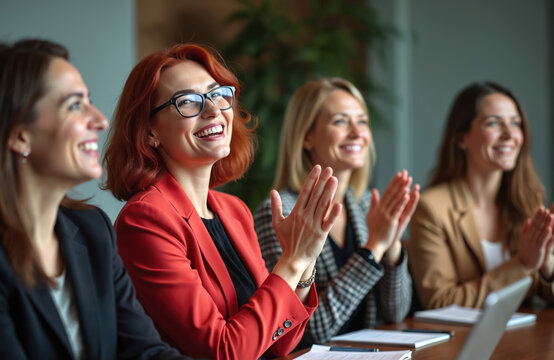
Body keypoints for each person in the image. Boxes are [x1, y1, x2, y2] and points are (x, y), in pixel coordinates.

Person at [103, 43, 342, 360]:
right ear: (150, 133)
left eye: (218, 95)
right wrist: (292, 260)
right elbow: (223, 352)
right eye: (187, 101)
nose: (214, 110)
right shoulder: (145, 220)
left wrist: (306, 259)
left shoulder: (233, 211)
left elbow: (278, 343)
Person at [0, 39, 191, 359]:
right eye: (75, 105)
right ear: (21, 135)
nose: (101, 121)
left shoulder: (92, 230)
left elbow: (143, 351)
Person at [254, 78, 419, 346]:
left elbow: (397, 312)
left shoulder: (366, 205)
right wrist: (373, 248)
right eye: (341, 121)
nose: (357, 133)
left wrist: (392, 248)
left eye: (362, 121)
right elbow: (310, 331)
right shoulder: (282, 212)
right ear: (307, 136)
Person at [408, 81, 554, 309]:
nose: (509, 135)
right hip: (462, 343)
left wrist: (547, 267)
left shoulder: (529, 202)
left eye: (515, 123)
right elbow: (440, 303)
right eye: (494, 123)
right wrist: (523, 264)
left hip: (525, 341)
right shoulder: (431, 208)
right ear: (461, 138)